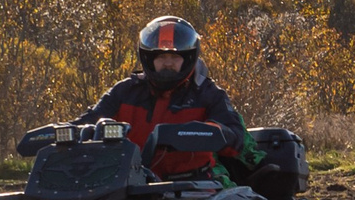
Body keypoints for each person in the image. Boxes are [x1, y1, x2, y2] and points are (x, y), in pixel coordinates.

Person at [78, 16, 252, 181]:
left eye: (175, 57)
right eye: (161, 56)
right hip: (128, 186)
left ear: (188, 58)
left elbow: (236, 139)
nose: (168, 63)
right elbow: (88, 121)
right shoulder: (125, 90)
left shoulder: (208, 93)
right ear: (148, 57)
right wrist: (60, 133)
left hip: (192, 187)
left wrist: (192, 134)